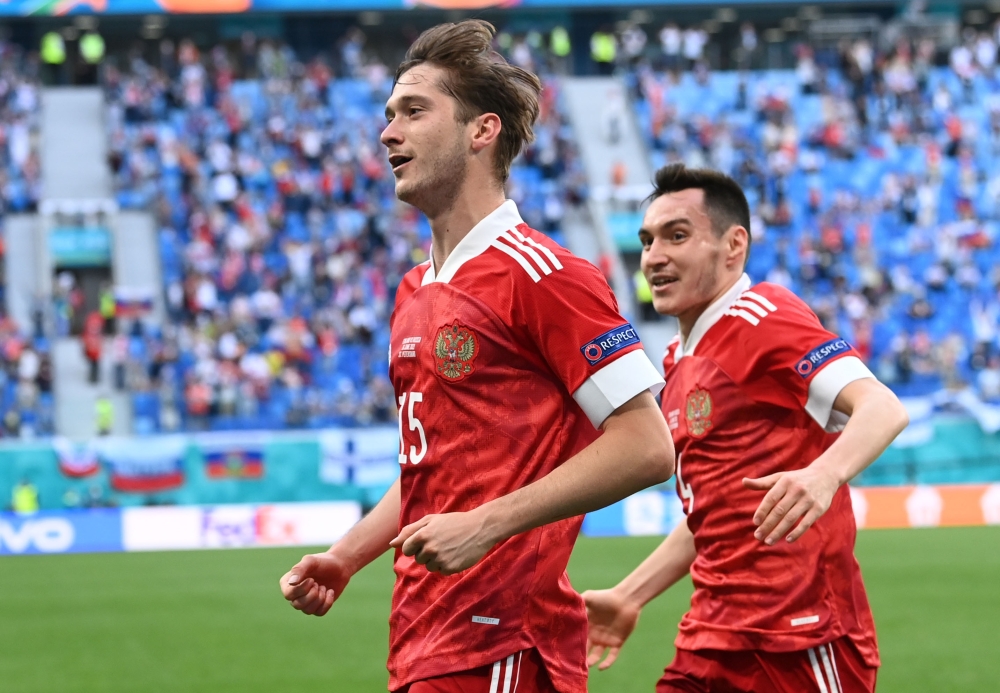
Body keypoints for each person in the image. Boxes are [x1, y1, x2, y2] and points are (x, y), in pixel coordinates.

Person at [280, 21, 675, 693]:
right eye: (387, 114)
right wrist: (347, 557)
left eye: (413, 110)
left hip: (505, 643)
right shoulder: (414, 290)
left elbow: (647, 445)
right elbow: (433, 472)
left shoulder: (545, 274)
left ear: (481, 131)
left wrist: (488, 525)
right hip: (423, 640)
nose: (386, 133)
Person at [582, 164, 909, 693]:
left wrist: (823, 475)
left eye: (677, 235)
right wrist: (630, 594)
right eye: (646, 241)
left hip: (801, 640)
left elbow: (882, 406)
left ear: (734, 246)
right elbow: (715, 511)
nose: (653, 257)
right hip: (712, 638)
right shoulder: (678, 356)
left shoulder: (764, 317)